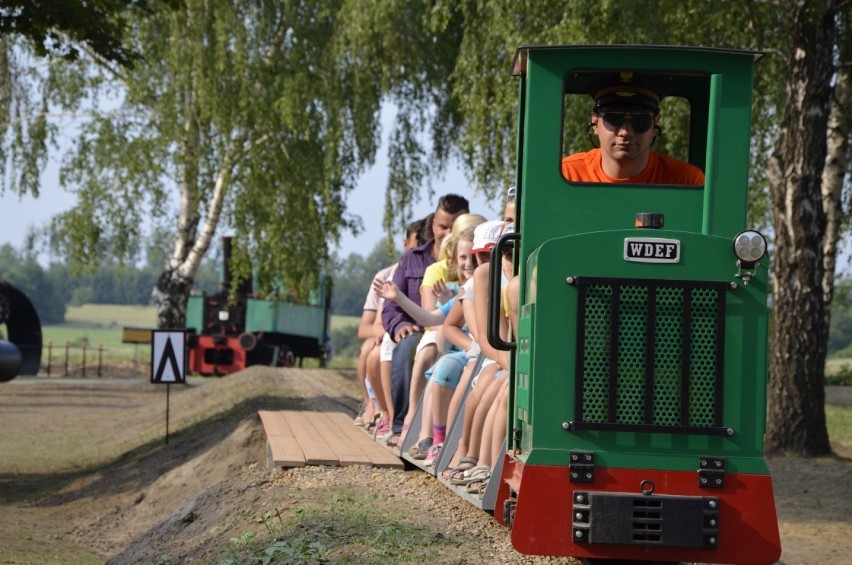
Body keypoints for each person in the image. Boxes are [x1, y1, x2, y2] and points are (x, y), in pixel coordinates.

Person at [381, 194, 470, 444]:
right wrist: (399, 325)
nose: (447, 233)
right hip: (421, 328)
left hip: (451, 330)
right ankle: (402, 424)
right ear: (433, 226)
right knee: (409, 345)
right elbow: (390, 306)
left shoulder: (470, 263)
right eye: (443, 227)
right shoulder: (414, 259)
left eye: (454, 227)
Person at [562, 72, 705, 185]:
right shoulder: (568, 174)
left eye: (640, 120)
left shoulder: (686, 180)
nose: (626, 132)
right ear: (595, 121)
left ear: (655, 123)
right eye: (614, 119)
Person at [354, 219, 423, 427]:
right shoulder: (385, 277)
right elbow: (366, 326)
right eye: (417, 243)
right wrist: (389, 330)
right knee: (370, 348)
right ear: (406, 244)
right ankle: (373, 405)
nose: (421, 249)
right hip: (391, 331)